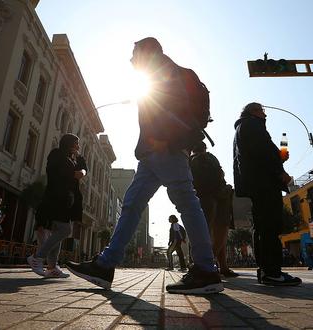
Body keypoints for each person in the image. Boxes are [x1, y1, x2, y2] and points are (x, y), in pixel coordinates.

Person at [66, 37, 222, 294]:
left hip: (164, 148)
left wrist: (164, 138)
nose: (130, 59)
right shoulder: (162, 69)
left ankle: (206, 269)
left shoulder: (162, 68)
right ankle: (105, 265)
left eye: (134, 53)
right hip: (153, 153)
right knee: (132, 205)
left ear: (147, 52)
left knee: (185, 201)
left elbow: (173, 102)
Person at [233, 102, 301, 286]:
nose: (265, 115)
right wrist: (279, 171)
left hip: (256, 183)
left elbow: (256, 153)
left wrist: (278, 157)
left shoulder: (243, 127)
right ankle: (272, 271)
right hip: (265, 182)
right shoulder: (252, 125)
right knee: (270, 226)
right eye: (263, 111)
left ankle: (266, 271)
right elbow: (262, 154)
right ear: (255, 111)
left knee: (262, 227)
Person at [28, 134, 86, 278]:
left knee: (58, 232)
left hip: (65, 201)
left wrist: (80, 171)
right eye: (76, 143)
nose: (78, 147)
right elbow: (56, 172)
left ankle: (52, 267)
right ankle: (37, 257)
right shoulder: (56, 154)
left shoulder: (73, 159)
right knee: (65, 230)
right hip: (55, 199)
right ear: (69, 143)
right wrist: (75, 173)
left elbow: (83, 170)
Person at [190, 141, 238, 277]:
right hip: (216, 197)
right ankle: (206, 266)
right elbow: (218, 177)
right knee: (220, 232)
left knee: (214, 233)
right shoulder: (207, 158)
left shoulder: (192, 160)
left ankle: (221, 266)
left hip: (208, 198)